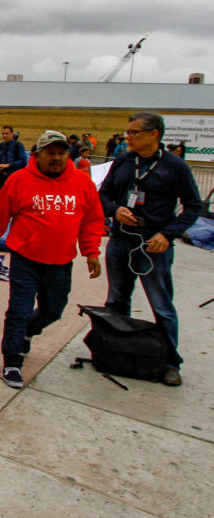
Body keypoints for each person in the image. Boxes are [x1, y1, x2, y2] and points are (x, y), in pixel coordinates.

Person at [0, 131, 105, 388]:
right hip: (26, 260)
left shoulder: (82, 183)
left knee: (53, 311)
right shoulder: (20, 180)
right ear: (37, 156)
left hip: (61, 263)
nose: (56, 158)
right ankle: (12, 360)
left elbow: (92, 220)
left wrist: (91, 251)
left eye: (61, 153)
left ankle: (28, 331)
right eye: (51, 152)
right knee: (18, 310)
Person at [99, 112, 203, 386]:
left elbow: (193, 206)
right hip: (121, 241)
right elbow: (104, 194)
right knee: (117, 300)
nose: (127, 137)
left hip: (153, 246)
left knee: (161, 305)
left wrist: (169, 234)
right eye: (128, 132)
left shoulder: (175, 166)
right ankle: (115, 350)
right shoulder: (123, 160)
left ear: (153, 134)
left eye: (133, 132)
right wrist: (114, 210)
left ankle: (170, 362)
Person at [0, 125, 27, 191]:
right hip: (1, 177)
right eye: (3, 134)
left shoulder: (18, 145)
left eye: (7, 133)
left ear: (12, 134)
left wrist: (9, 165)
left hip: (13, 177)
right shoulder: (1, 145)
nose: (5, 135)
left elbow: (23, 161)